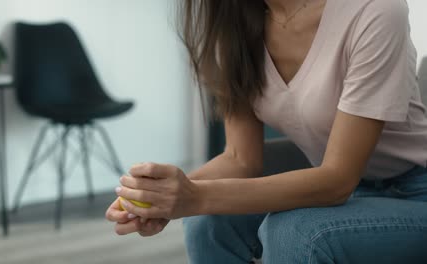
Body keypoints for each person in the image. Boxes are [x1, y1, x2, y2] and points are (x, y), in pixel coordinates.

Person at [105, 0, 427, 263]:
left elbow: (338, 180)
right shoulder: (234, 27)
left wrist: (195, 196)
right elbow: (240, 159)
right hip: (350, 191)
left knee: (294, 232)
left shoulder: (375, 11)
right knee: (206, 221)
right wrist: (160, 197)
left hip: (416, 194)